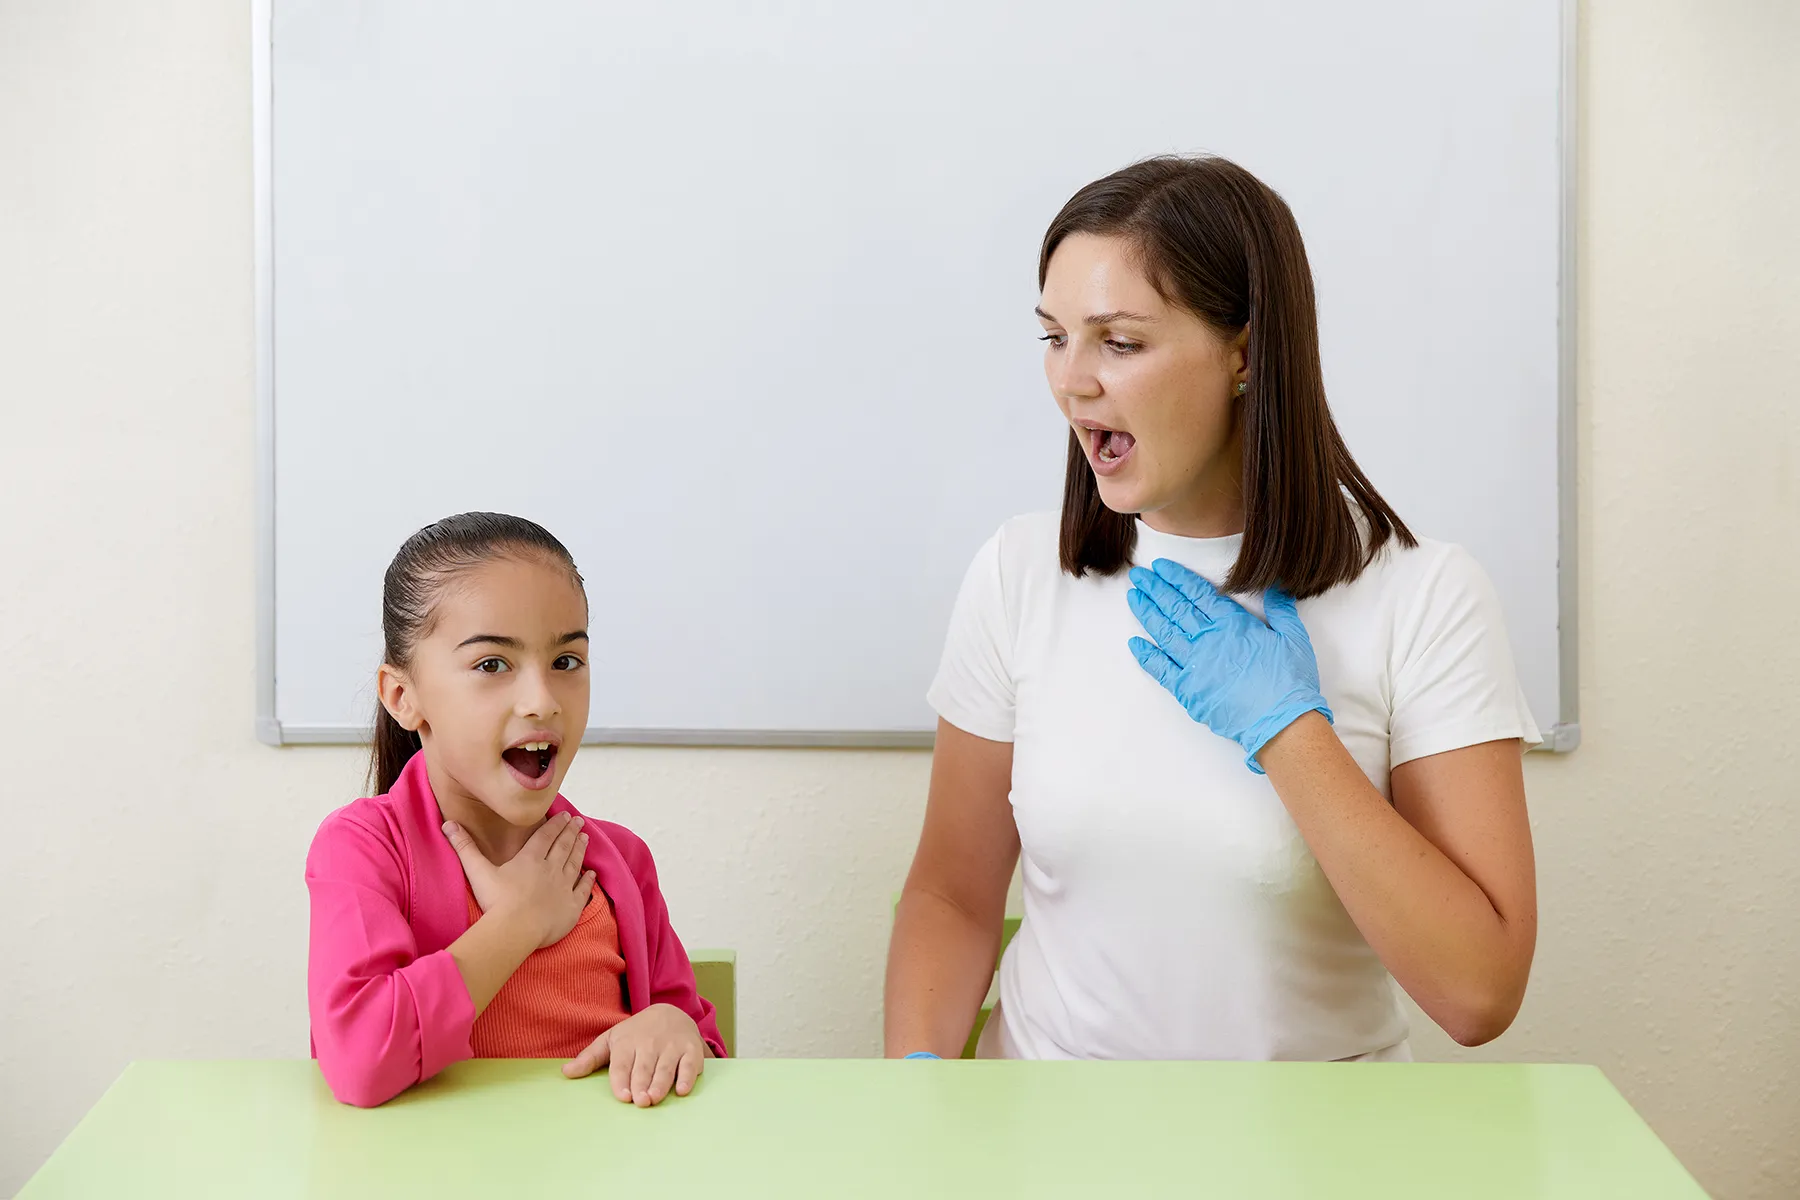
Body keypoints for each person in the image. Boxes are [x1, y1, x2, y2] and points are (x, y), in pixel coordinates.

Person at [885, 157, 1540, 1063]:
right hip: (1044, 1138)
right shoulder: (1019, 574)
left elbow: (1480, 992)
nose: (1071, 382)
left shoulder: (1423, 596)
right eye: (1053, 336)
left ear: (1243, 352)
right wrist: (917, 1084)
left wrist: (1290, 735)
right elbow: (953, 894)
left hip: (1311, 1154)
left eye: (1118, 342)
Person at [306, 512, 724, 1107]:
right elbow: (359, 1060)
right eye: (492, 665)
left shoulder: (620, 860)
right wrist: (521, 921)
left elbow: (701, 1045)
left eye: (566, 662)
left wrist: (676, 1030)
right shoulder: (362, 847)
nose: (542, 701)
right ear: (404, 695)